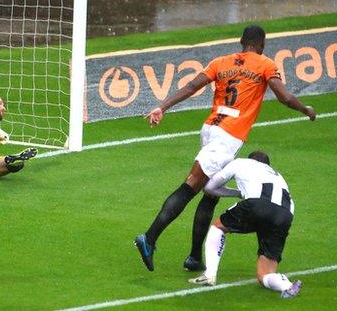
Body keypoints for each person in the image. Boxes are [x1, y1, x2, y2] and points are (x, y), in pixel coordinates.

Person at [134, 25, 316, 272]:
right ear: (261, 45)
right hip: (227, 135)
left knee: (209, 195)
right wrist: (305, 109)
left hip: (211, 127)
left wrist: (162, 107)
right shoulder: (265, 64)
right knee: (191, 187)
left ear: (242, 41)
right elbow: (284, 97)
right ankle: (150, 237)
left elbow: (190, 87)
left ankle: (194, 257)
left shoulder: (221, 62)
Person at [189, 151, 302, 299]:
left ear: (252, 160)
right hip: (285, 215)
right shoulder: (278, 175)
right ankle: (286, 286)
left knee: (218, 227)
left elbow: (210, 187)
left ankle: (209, 275)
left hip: (257, 204)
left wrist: (237, 193)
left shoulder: (241, 162)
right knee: (264, 274)